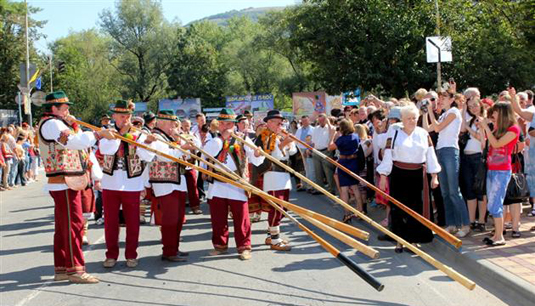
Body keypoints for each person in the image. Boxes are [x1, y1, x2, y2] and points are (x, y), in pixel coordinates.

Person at [38, 90, 115, 283]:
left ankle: (62, 268)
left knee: (65, 226)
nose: (68, 110)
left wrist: (74, 124)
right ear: (54, 108)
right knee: (74, 225)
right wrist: (98, 134)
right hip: (63, 180)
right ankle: (76, 270)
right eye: (65, 107)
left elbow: (78, 138)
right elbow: (75, 142)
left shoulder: (58, 123)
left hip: (67, 180)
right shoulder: (52, 123)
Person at [99, 100, 155, 269]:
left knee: (133, 222)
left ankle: (131, 255)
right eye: (122, 116)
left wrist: (146, 144)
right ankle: (111, 255)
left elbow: (148, 157)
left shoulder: (140, 133)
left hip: (132, 183)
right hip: (110, 183)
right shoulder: (105, 132)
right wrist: (120, 135)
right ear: (114, 116)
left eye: (128, 116)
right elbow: (105, 150)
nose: (125, 119)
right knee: (110, 222)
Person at [377, 105, 441, 253]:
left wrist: (434, 176)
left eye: (414, 118)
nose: (412, 121)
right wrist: (383, 176)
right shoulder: (394, 132)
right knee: (398, 208)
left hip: (417, 174)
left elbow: (431, 155)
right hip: (399, 173)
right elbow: (388, 154)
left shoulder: (423, 134)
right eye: (409, 119)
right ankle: (399, 241)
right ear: (403, 120)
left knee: (415, 208)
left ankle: (412, 240)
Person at [203, 109, 264, 260]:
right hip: (218, 183)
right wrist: (222, 139)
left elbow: (255, 158)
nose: (225, 126)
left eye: (229, 123)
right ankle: (220, 245)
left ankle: (244, 246)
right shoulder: (213, 140)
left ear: (235, 124)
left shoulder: (243, 138)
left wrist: (257, 154)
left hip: (237, 182)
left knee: (241, 217)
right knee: (218, 218)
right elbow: (206, 155)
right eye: (222, 123)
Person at [143, 110, 190, 262]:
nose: (175, 127)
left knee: (178, 218)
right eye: (172, 124)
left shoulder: (169, 137)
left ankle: (174, 247)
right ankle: (169, 251)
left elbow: (182, 157)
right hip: (164, 181)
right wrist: (184, 147)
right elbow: (165, 156)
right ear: (162, 123)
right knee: (170, 219)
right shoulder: (156, 137)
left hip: (177, 180)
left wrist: (183, 146)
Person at [426, 89, 471, 238]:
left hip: (451, 152)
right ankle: (452, 224)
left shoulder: (453, 112)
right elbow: (428, 128)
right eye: (439, 97)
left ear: (452, 99)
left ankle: (465, 224)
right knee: (445, 191)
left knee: (454, 191)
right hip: (440, 151)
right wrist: (427, 112)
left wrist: (431, 113)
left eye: (444, 97)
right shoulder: (444, 114)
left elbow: (437, 128)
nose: (440, 100)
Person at [479, 93, 520, 247]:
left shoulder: (514, 129)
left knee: (496, 203)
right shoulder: (498, 128)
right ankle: (497, 234)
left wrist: (486, 128)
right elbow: (487, 144)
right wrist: (485, 129)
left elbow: (497, 144)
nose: (493, 114)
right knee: (492, 203)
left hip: (502, 171)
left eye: (495, 111)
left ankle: (500, 237)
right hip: (492, 169)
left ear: (502, 113)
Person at [253, 110, 297, 251]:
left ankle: (270, 235)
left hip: (283, 174)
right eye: (278, 121)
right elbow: (272, 156)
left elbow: (292, 153)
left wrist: (289, 142)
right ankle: (275, 240)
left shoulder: (278, 135)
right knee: (276, 207)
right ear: (269, 122)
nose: (281, 123)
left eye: (281, 121)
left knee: (283, 208)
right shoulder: (264, 136)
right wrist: (284, 143)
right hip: (272, 175)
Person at [328, 119, 364, 223]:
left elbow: (330, 147)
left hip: (344, 162)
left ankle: (347, 213)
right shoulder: (355, 136)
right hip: (353, 162)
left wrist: (332, 135)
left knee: (344, 189)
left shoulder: (341, 139)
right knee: (355, 187)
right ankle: (360, 211)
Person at [460, 97, 487, 231]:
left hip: (479, 157)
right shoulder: (470, 120)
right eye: (471, 107)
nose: (473, 108)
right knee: (469, 190)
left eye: (475, 105)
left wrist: (472, 128)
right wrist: (464, 109)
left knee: (480, 190)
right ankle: (471, 220)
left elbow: (482, 140)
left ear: (481, 105)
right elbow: (462, 128)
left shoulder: (486, 120)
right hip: (467, 157)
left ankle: (481, 220)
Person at [181, 119, 203, 214]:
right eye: (185, 125)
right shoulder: (178, 135)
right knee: (180, 186)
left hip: (191, 163)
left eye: (188, 125)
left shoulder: (193, 135)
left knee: (193, 185)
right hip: (180, 163)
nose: (187, 127)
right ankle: (180, 206)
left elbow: (199, 146)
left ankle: (195, 206)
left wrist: (193, 145)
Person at [311, 113, 336, 194]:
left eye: (323, 120)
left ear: (326, 120)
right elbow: (313, 141)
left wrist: (328, 122)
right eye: (320, 120)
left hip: (326, 151)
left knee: (328, 171)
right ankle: (320, 189)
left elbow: (333, 130)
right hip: (317, 151)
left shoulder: (330, 128)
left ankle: (331, 189)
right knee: (318, 171)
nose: (321, 121)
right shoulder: (315, 129)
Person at [294, 115, 315, 192]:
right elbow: (296, 140)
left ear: (309, 121)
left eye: (306, 120)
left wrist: (308, 149)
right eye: (303, 121)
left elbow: (314, 141)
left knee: (310, 168)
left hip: (309, 150)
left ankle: (311, 186)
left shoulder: (313, 129)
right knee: (303, 168)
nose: (304, 122)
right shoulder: (299, 130)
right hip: (300, 149)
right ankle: (304, 185)